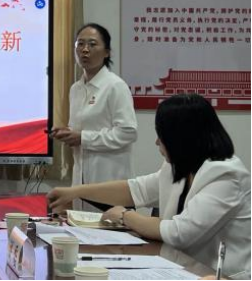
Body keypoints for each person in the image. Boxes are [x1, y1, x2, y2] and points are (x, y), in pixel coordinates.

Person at [47, 94, 251, 278]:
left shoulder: (225, 175)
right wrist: (75, 192)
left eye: (162, 135)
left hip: (221, 276)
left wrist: (125, 216)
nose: (156, 142)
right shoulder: (179, 165)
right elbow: (135, 190)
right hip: (180, 268)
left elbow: (179, 233)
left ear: (182, 138)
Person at [50, 23, 137, 210]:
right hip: (81, 181)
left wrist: (83, 138)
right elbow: (82, 130)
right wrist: (67, 133)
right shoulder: (76, 89)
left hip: (110, 182)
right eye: (80, 44)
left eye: (92, 44)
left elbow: (128, 133)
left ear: (106, 52)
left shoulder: (115, 86)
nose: (85, 50)